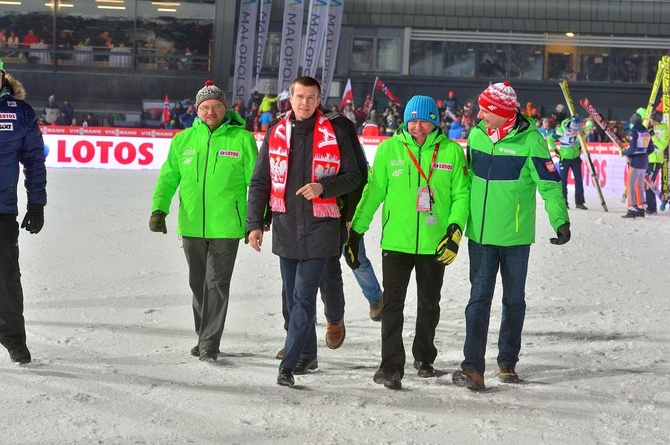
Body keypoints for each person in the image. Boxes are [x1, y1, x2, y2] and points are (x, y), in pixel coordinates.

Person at [452, 81, 570, 391]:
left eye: (485, 110)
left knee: (513, 301)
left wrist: (560, 220)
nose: (479, 115)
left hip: (516, 239)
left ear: (503, 113)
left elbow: (549, 185)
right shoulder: (477, 136)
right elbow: (463, 184)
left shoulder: (532, 142)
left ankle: (507, 361)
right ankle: (472, 367)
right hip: (479, 235)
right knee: (478, 299)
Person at [347, 95, 471, 390]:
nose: (417, 127)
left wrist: (454, 231)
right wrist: (356, 231)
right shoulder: (390, 149)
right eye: (412, 120)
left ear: (434, 122)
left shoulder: (452, 152)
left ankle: (424, 356)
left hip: (434, 242)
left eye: (424, 121)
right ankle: (391, 365)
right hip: (397, 242)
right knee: (392, 305)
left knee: (429, 305)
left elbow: (461, 195)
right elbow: (374, 192)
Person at [246, 76, 361, 387]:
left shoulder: (336, 130)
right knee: (289, 298)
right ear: (291, 98)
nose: (305, 103)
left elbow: (355, 176)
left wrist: (324, 187)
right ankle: (308, 354)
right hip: (285, 227)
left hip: (322, 226)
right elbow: (260, 182)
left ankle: (289, 363)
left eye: (311, 97)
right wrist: (254, 223)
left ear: (319, 98)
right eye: (300, 96)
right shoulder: (276, 132)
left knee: (303, 297)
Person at [149, 80, 258, 362]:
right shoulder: (183, 140)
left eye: (216, 106)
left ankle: (209, 342)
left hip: (227, 226)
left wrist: (255, 220)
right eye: (205, 107)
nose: (211, 111)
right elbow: (168, 178)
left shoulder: (242, 139)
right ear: (197, 110)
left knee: (216, 283)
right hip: (191, 225)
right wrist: (159, 210)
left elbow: (256, 183)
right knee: (198, 283)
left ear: (226, 109)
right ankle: (203, 335)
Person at [0, 57, 47, 365]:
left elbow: (34, 162)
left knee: (6, 279)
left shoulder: (20, 114)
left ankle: (14, 340)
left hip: (1, 211)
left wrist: (36, 203)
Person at [621, 111, 654, 218]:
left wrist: (624, 152)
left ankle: (632, 207)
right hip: (644, 161)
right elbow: (651, 149)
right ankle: (641, 205)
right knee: (639, 186)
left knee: (630, 185)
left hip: (635, 162)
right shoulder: (647, 132)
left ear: (633, 122)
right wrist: (643, 154)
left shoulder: (633, 132)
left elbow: (633, 148)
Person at [553, 115, 587, 209]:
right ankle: (564, 202)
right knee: (563, 181)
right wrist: (556, 152)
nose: (574, 132)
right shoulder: (561, 130)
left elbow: (582, 138)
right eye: (573, 130)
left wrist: (579, 148)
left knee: (579, 180)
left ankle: (580, 202)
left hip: (576, 158)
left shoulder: (579, 129)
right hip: (564, 159)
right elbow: (550, 139)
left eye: (576, 130)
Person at [646, 110, 669, 215]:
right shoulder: (652, 128)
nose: (650, 120)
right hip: (648, 159)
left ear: (657, 120)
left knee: (648, 184)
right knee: (647, 183)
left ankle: (651, 209)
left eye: (652, 118)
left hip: (656, 159)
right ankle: (654, 203)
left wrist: (653, 136)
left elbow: (662, 146)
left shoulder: (665, 130)